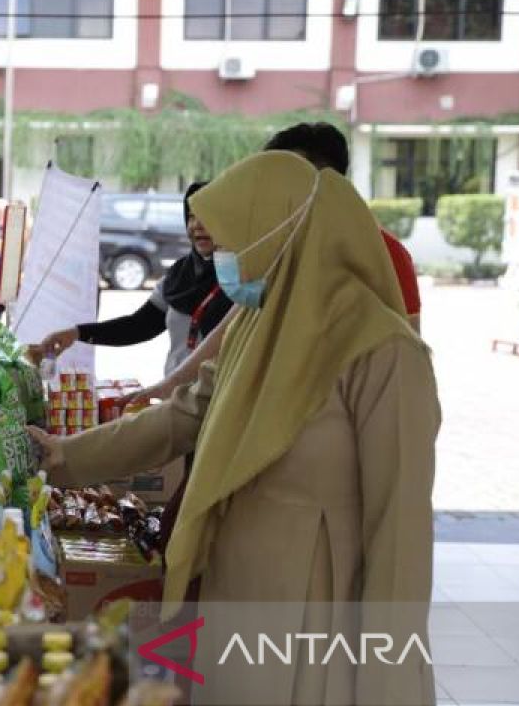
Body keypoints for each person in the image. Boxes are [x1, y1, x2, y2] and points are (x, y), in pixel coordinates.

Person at [31, 151, 439, 705]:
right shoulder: (258, 323)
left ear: (278, 234)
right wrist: (64, 456)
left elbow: (400, 530)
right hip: (236, 592)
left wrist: (388, 673)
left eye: (229, 242)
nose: (220, 257)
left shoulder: (383, 351)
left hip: (316, 610)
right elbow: (182, 417)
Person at [128, 122, 422, 406]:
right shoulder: (279, 247)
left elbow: (406, 353)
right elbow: (234, 324)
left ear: (325, 184)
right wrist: (172, 384)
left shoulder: (387, 253)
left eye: (284, 177)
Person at [30, 183, 232, 378]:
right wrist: (76, 333)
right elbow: (138, 326)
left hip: (222, 399)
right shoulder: (179, 275)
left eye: (206, 216)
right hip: (178, 398)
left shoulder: (242, 278)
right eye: (191, 217)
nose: (196, 225)